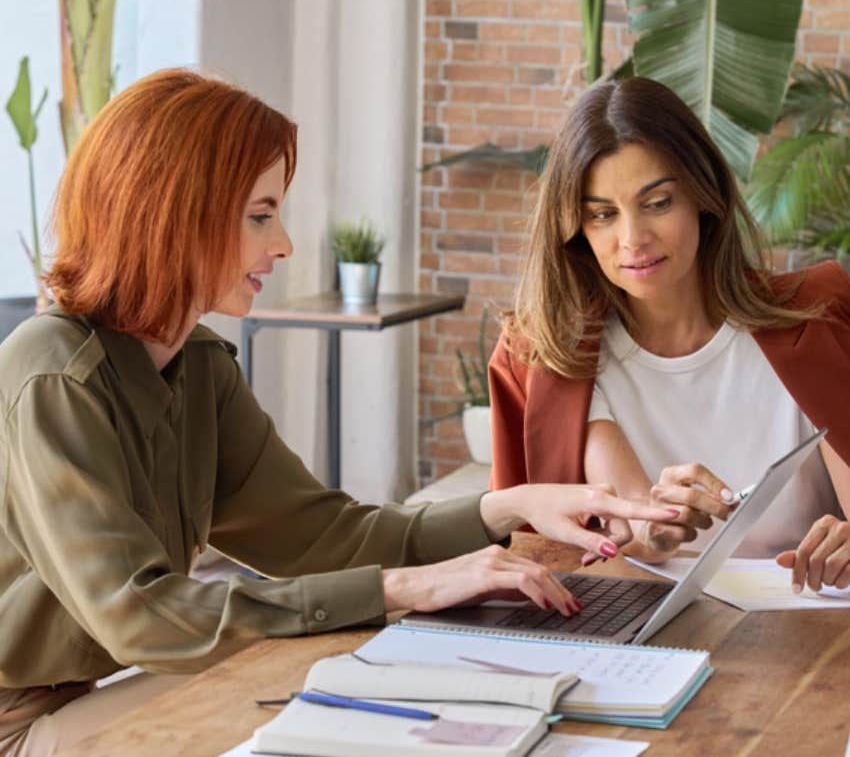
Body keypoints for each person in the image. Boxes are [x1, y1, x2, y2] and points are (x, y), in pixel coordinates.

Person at [0, 69, 673, 756]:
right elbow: (140, 617)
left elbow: (321, 536)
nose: (284, 244)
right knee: (319, 688)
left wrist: (507, 507)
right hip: (16, 723)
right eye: (260, 215)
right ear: (175, 213)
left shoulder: (197, 365)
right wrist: (402, 587)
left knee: (347, 674)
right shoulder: (54, 374)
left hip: (88, 696)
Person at [490, 76, 850, 587]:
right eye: (602, 215)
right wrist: (658, 531)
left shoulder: (814, 316)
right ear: (575, 228)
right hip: (647, 624)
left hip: (808, 620)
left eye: (657, 203)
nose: (632, 239)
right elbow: (635, 523)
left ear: (704, 197)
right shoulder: (555, 360)